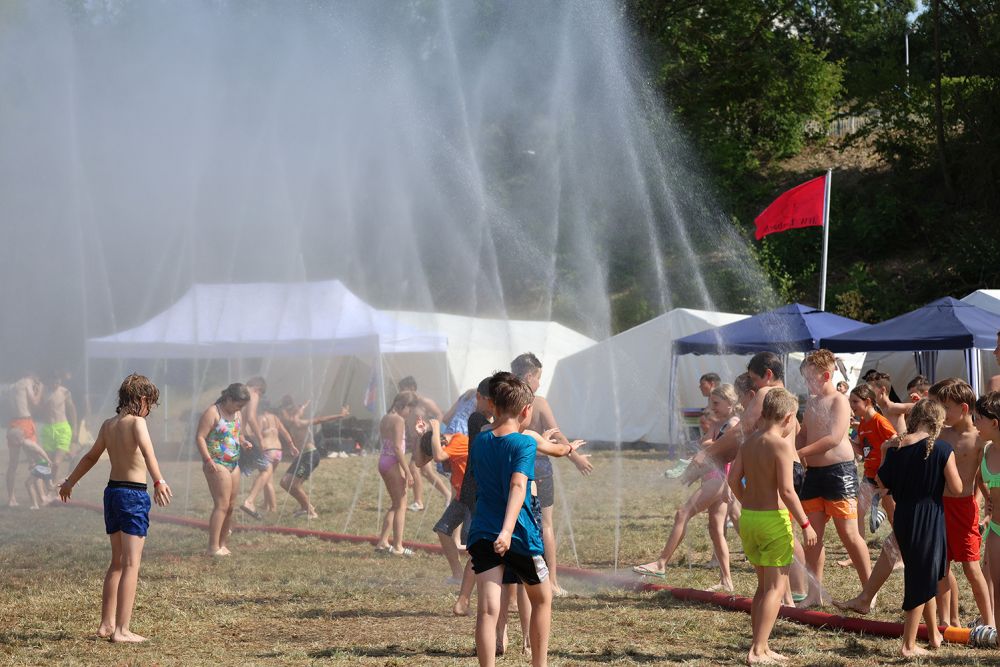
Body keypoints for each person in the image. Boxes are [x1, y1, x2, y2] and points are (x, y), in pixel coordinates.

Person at [58, 374, 172, 643]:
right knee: (132, 563)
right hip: (132, 494)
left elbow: (90, 456)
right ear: (142, 399)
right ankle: (122, 630)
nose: (149, 411)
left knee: (117, 563)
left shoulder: (108, 425)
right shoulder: (137, 422)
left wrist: (69, 481)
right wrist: (159, 480)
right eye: (150, 405)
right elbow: (148, 453)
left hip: (112, 493)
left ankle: (106, 624)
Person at [692, 352, 811, 603]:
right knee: (785, 530)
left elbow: (742, 429)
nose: (753, 386)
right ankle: (792, 594)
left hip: (781, 467)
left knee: (784, 530)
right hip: (791, 465)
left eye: (754, 379)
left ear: (767, 375)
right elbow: (798, 434)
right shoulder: (786, 398)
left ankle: (791, 594)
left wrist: (708, 454)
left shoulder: (766, 394)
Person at [468, 371, 561, 667]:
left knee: (487, 609)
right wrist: (507, 532)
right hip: (519, 535)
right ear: (526, 411)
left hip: (482, 530)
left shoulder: (480, 440)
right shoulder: (524, 443)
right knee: (543, 599)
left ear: (493, 405)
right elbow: (519, 486)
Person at [728, 388, 817, 665]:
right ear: (789, 418)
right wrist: (806, 523)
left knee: (762, 587)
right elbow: (788, 491)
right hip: (773, 520)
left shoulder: (748, 443)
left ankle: (762, 646)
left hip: (750, 518)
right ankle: (757, 649)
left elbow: (733, 482)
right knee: (776, 588)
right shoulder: (779, 445)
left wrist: (748, 503)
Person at [633, 382, 743, 592]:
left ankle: (661, 563)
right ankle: (726, 580)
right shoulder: (718, 424)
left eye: (717, 403)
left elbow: (726, 450)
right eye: (711, 403)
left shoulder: (734, 423)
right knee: (715, 529)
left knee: (682, 514)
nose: (713, 407)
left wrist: (729, 483)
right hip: (711, 477)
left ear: (731, 403)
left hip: (719, 479)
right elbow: (707, 446)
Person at [876, 399, 962, 657]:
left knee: (924, 573)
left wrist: (883, 452)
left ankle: (934, 634)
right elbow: (957, 489)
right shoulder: (942, 449)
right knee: (919, 579)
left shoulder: (897, 448)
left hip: (904, 515)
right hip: (929, 516)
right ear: (937, 421)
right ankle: (908, 645)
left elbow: (882, 480)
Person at [511, 352, 592, 597]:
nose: (539, 384)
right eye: (538, 378)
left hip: (515, 467)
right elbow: (555, 434)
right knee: (545, 524)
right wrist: (575, 457)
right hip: (540, 467)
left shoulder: (505, 401)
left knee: (516, 523)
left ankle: (516, 588)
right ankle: (553, 582)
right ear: (528, 376)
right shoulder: (539, 402)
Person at [796, 350, 871, 607]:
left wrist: (799, 453)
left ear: (826, 375)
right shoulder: (813, 402)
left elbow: (834, 437)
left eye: (809, 379)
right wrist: (787, 447)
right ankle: (814, 594)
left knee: (849, 534)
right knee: (813, 537)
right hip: (814, 475)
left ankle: (867, 592)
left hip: (839, 472)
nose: (806, 384)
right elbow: (804, 433)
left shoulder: (839, 400)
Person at [930, 379, 994, 629]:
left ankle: (989, 622)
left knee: (971, 568)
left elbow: (981, 477)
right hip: (939, 505)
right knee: (941, 567)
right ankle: (946, 620)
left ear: (964, 408)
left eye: (945, 407)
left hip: (965, 508)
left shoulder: (980, 439)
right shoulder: (941, 433)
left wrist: (984, 505)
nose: (940, 413)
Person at [454, 377, 494, 617]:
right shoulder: (477, 419)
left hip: (479, 489)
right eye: (490, 401)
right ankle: (463, 600)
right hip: (477, 490)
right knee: (479, 549)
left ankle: (466, 599)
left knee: (482, 548)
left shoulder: (486, 420)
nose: (492, 407)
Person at [195, 383, 250, 556]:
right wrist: (207, 459)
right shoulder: (213, 412)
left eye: (242, 406)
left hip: (234, 463)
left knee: (231, 506)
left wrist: (244, 441)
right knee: (222, 504)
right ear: (228, 399)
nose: (239, 408)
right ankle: (212, 547)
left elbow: (237, 433)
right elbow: (200, 437)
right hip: (216, 462)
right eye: (238, 404)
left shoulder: (238, 414)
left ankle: (222, 544)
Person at [277, 396, 349, 519]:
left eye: (282, 414)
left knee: (294, 485)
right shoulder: (293, 422)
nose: (281, 417)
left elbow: (320, 419)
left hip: (310, 456)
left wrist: (340, 415)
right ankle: (305, 507)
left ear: (289, 413)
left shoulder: (298, 422)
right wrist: (302, 407)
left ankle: (310, 511)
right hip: (302, 456)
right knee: (284, 482)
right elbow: (298, 412)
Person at [423, 418, 472, 581]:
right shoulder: (446, 445)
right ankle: (458, 575)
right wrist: (421, 435)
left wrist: (436, 429)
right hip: (461, 498)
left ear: (442, 441)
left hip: (475, 498)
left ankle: (484, 581)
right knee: (443, 529)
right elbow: (419, 461)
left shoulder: (458, 440)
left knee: (473, 540)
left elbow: (438, 455)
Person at [848, 384, 896, 541]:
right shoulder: (862, 423)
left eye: (855, 402)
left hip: (885, 476)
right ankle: (860, 549)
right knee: (858, 512)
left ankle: (903, 552)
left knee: (892, 514)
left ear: (867, 401)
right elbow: (864, 451)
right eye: (850, 402)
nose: (851, 406)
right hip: (869, 475)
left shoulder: (879, 421)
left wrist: (886, 470)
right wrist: (845, 439)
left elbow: (896, 442)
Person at [375, 391, 420, 555]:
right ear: (404, 406)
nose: (409, 414)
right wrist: (407, 471)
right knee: (401, 505)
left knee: (395, 504)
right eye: (410, 410)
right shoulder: (399, 420)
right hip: (393, 461)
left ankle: (382, 541)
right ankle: (398, 546)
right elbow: (396, 447)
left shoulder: (385, 417)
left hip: (383, 461)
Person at [398, 376, 449, 512]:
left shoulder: (424, 402)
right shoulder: (407, 404)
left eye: (403, 390)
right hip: (415, 441)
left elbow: (439, 415)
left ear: (413, 388)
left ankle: (418, 501)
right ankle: (448, 495)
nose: (401, 393)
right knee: (426, 472)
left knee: (413, 468)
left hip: (424, 439)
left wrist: (429, 427)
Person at [241, 401, 297, 520]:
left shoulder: (261, 419)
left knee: (268, 480)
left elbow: (255, 433)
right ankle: (266, 505)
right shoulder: (275, 418)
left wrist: (243, 430)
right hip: (278, 451)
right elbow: (285, 432)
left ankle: (273, 508)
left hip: (268, 451)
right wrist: (291, 445)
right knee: (267, 479)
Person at [975, 392, 1000, 623]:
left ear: (994, 422)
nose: (975, 424)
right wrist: (988, 498)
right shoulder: (986, 449)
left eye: (978, 419)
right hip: (996, 529)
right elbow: (980, 478)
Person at [6, 373, 43, 506]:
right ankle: (42, 497)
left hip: (13, 424)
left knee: (13, 464)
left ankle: (11, 499)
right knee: (35, 460)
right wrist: (40, 390)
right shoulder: (28, 381)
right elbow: (35, 402)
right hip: (25, 422)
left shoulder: (12, 386)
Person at [39, 371, 78, 488]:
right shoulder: (43, 392)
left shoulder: (64, 392)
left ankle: (53, 486)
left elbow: (72, 411)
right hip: (47, 429)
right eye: (54, 380)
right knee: (49, 463)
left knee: (56, 463)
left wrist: (75, 428)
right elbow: (36, 407)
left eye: (58, 380)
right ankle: (51, 488)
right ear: (49, 381)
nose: (56, 383)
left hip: (62, 428)